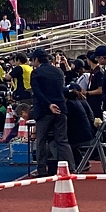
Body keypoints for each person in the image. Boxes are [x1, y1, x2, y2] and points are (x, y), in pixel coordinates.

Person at [29, 49, 76, 177]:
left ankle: (42, 169)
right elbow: (62, 89)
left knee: (41, 141)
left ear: (36, 60)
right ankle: (70, 168)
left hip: (44, 110)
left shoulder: (36, 73)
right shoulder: (58, 71)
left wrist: (49, 105)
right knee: (62, 140)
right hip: (60, 108)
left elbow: (37, 93)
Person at [64, 85, 97, 167]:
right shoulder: (77, 102)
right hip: (88, 135)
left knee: (61, 144)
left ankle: (72, 165)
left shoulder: (69, 105)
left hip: (82, 138)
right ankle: (81, 163)